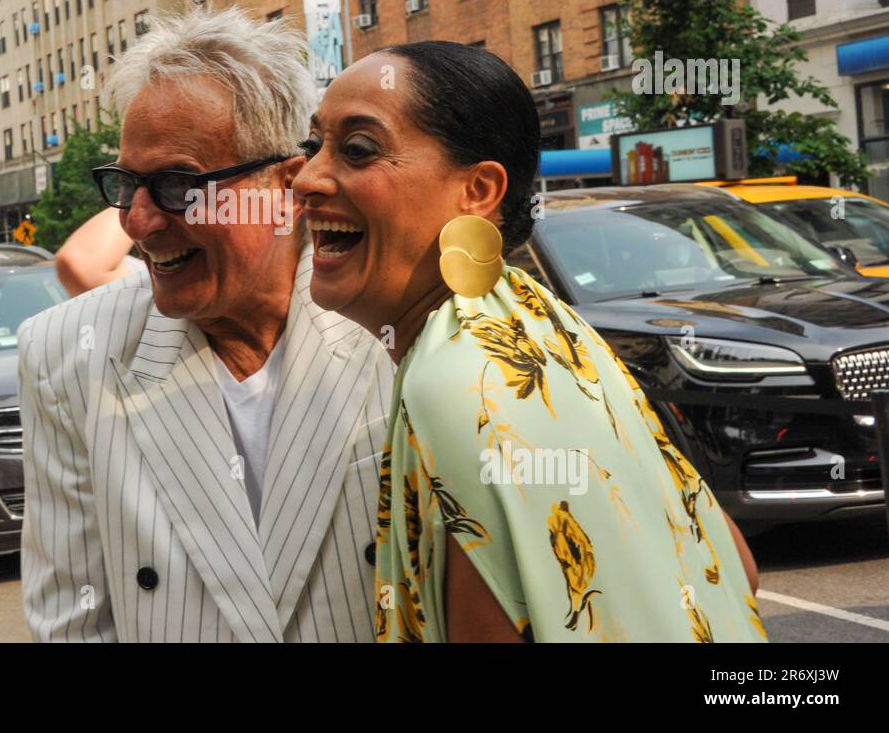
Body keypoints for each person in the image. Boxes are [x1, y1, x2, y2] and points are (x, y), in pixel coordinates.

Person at [292, 41, 766, 643]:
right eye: (313, 147)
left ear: (480, 190)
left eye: (358, 149)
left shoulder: (460, 386)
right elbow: (737, 568)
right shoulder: (547, 327)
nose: (305, 177)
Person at [16, 8, 393, 642]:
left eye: (176, 186)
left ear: (286, 184)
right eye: (127, 185)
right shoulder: (67, 357)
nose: (138, 223)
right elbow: (74, 624)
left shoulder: (395, 332)